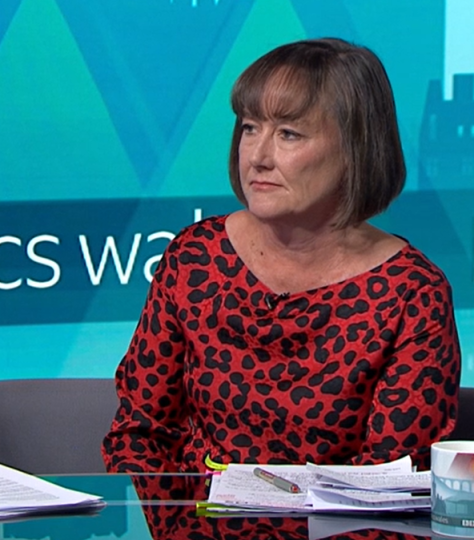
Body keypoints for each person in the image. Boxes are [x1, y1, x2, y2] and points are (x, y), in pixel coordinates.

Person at [102, 38, 460, 479]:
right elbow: (139, 437)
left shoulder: (412, 294)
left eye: (289, 134)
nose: (258, 156)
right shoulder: (195, 258)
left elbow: (391, 483)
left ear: (355, 148)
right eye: (251, 127)